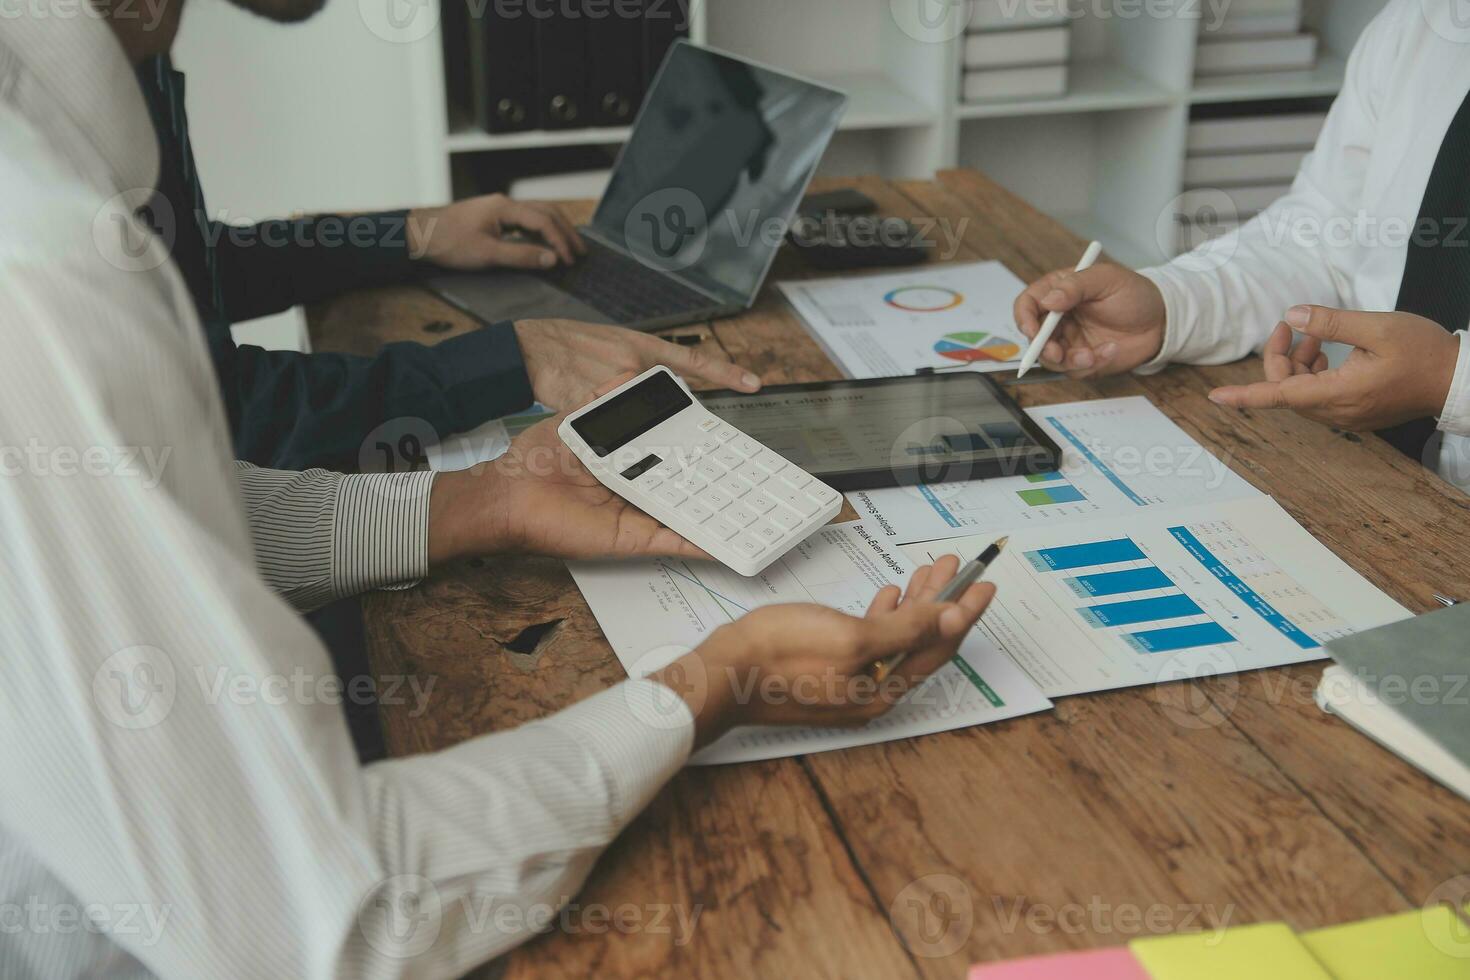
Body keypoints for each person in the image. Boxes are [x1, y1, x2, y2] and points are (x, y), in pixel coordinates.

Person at [0, 4, 998, 977]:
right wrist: (720, 680)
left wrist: (485, 499)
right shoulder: (42, 267)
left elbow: (161, 512)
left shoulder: (62, 157)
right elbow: (332, 921)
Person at [133, 55, 760, 470]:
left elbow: (194, 272)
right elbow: (229, 416)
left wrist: (415, 234)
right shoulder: (67, 106)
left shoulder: (138, 48)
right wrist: (513, 359)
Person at [1013, 0, 1470, 492]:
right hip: (1373, 480)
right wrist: (1171, 305)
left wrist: (1449, 381)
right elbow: (1321, 233)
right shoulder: (1423, 23)